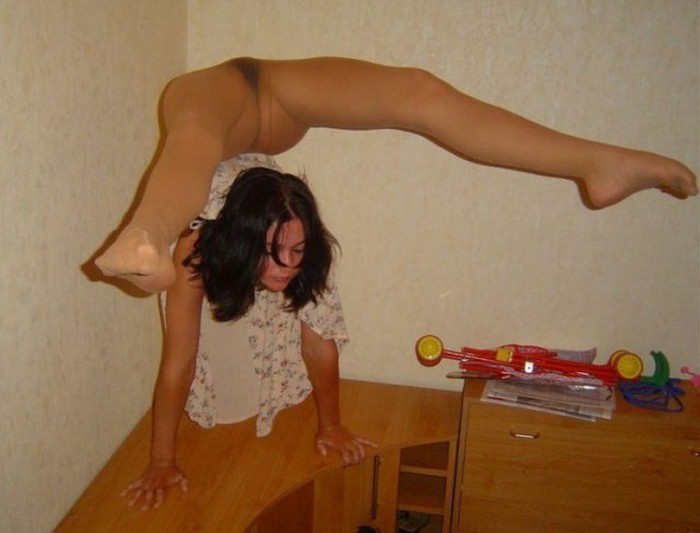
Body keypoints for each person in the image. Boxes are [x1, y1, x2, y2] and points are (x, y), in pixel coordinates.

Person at [94, 56, 698, 293]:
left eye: (285, 261)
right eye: (290, 262)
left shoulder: (221, 241)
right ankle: (598, 163)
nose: (286, 268)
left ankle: (146, 234)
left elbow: (195, 152)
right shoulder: (229, 256)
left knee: (194, 138)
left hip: (239, 92)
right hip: (268, 103)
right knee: (419, 94)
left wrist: (157, 242)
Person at [121, 157, 375, 511]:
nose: (288, 266)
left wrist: (331, 425)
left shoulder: (309, 251)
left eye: (296, 251)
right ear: (242, 244)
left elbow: (319, 342)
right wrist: (162, 462)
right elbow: (180, 361)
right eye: (273, 253)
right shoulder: (197, 245)